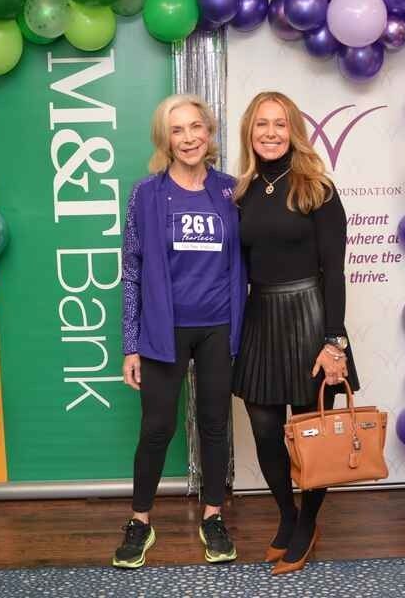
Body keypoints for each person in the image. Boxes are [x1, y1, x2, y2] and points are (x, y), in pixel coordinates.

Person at [113, 94, 247, 569]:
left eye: (196, 127)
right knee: (156, 428)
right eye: (177, 130)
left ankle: (212, 516)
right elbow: (131, 270)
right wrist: (131, 343)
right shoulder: (145, 195)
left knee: (214, 425)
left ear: (209, 133)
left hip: (218, 328)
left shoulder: (233, 191)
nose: (188, 138)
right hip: (163, 330)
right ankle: (140, 521)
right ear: (164, 139)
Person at [232, 91, 360, 575]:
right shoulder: (239, 193)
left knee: (311, 431)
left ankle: (307, 524)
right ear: (249, 131)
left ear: (294, 132)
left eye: (280, 124)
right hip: (260, 315)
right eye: (261, 124)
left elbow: (336, 271)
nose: (270, 133)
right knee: (265, 429)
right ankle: (287, 515)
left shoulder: (317, 190)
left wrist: (335, 342)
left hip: (309, 315)